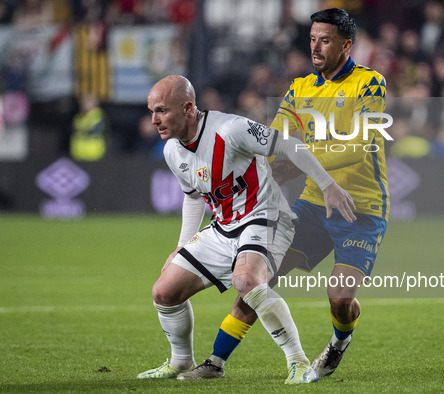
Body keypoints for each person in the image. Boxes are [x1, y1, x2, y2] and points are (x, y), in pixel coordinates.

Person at [178, 8, 389, 380]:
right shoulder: (300, 88)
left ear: (346, 44)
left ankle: (340, 341)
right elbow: (275, 141)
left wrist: (300, 162)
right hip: (311, 206)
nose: (316, 46)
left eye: (325, 40)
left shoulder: (369, 83)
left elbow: (361, 145)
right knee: (258, 280)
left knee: (340, 298)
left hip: (362, 207)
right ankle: (215, 363)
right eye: (312, 39)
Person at [137, 75, 356, 384]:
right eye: (151, 111)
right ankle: (179, 361)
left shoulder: (231, 129)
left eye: (161, 111)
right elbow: (194, 197)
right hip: (223, 227)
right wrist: (182, 245)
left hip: (265, 218)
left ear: (187, 108)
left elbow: (289, 145)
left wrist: (328, 185)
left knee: (246, 280)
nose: (154, 120)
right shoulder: (172, 150)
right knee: (164, 291)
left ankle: (298, 361)